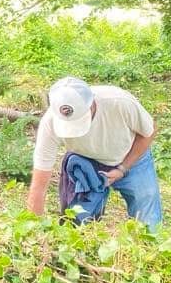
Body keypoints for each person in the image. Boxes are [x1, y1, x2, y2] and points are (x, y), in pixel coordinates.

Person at [27, 76, 163, 228]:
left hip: (130, 156)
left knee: (148, 221)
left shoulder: (120, 103)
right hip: (85, 163)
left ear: (92, 104)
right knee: (76, 224)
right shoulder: (50, 123)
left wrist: (123, 168)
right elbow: (39, 183)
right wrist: (33, 228)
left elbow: (148, 132)